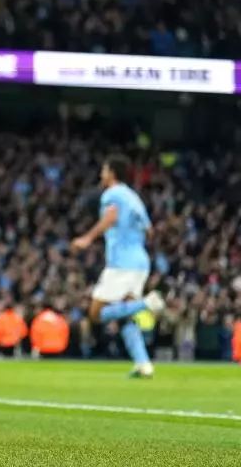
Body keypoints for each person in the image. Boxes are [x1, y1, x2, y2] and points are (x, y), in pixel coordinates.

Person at [72, 154, 165, 378]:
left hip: (121, 263)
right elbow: (150, 231)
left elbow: (111, 217)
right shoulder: (134, 197)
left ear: (112, 173)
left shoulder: (111, 194)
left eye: (104, 171)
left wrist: (87, 238)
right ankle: (144, 365)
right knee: (125, 317)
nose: (101, 175)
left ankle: (147, 302)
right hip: (140, 261)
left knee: (96, 313)